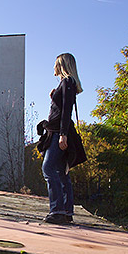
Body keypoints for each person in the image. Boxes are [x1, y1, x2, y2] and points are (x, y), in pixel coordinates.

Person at [41, 53, 82, 224]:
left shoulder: (67, 82)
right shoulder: (66, 84)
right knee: (60, 171)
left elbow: (66, 111)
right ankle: (66, 211)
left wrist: (63, 135)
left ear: (62, 65)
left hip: (59, 132)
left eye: (56, 63)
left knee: (48, 168)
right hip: (57, 131)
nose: (54, 67)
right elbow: (61, 107)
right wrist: (54, 96)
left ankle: (58, 210)